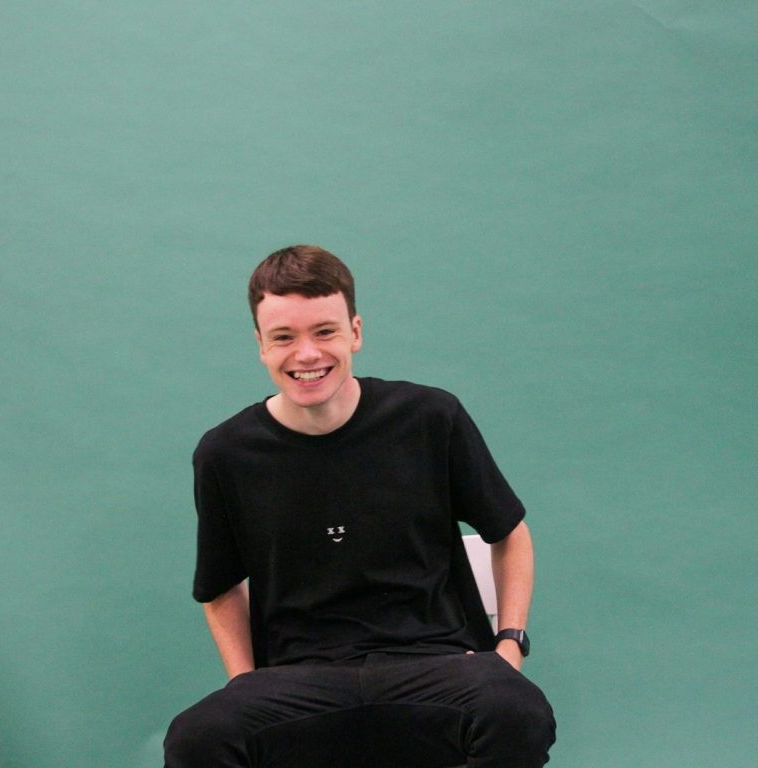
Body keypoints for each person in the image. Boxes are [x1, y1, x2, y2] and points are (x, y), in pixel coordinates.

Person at [164, 245, 556, 768]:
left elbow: (510, 533)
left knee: (515, 710)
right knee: (197, 739)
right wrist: (245, 682)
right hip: (297, 679)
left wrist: (509, 647)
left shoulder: (429, 417)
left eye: (324, 331)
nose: (307, 354)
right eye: (284, 337)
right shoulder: (226, 454)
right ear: (260, 345)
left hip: (437, 664)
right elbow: (218, 587)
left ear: (356, 331)